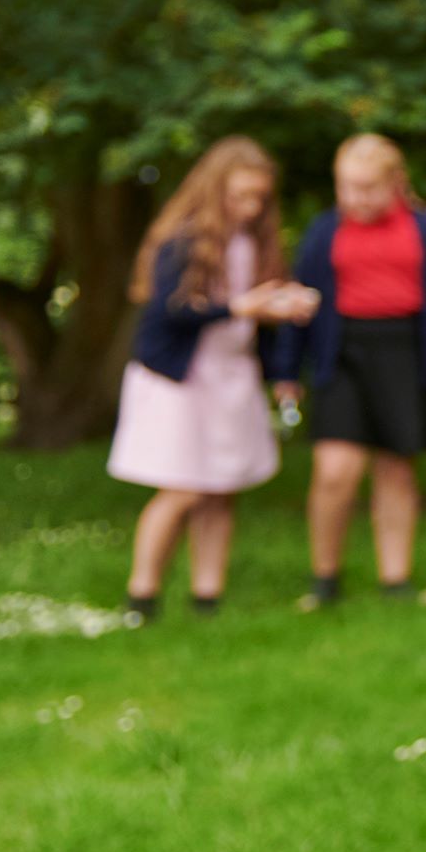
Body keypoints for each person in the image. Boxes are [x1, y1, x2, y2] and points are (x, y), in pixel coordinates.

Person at [267, 134, 426, 606]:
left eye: (368, 188)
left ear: (396, 183)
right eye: (347, 187)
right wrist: (286, 370)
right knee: (335, 471)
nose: (357, 199)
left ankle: (397, 582)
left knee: (396, 469)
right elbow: (299, 302)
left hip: (405, 354)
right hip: (344, 353)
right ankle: (324, 582)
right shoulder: (324, 232)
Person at [108, 139, 318, 621]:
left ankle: (208, 598)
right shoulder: (180, 240)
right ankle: (142, 597)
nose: (249, 208)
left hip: (232, 377)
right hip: (180, 382)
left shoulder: (255, 245)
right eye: (239, 196)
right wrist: (243, 306)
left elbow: (253, 323)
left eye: (259, 199)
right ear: (213, 189)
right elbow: (169, 312)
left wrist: (282, 316)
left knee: (222, 488)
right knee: (182, 487)